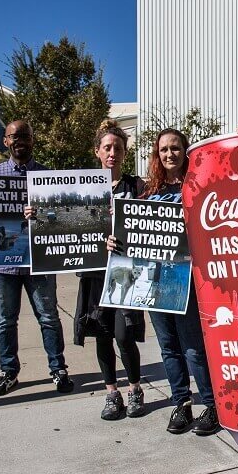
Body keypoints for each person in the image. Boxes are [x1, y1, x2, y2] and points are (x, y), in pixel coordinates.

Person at [109, 128, 221, 436]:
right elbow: (131, 234)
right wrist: (115, 243)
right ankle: (182, 403)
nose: (169, 154)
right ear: (156, 156)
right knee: (168, 347)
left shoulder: (197, 187)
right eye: (163, 150)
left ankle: (211, 405)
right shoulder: (149, 191)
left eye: (175, 148)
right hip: (154, 283)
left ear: (185, 152)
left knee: (194, 348)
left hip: (186, 283)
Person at [0, 120, 73, 396]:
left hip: (39, 261)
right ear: (5, 141)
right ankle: (8, 372)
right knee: (5, 320)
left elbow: (61, 218)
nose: (20, 140)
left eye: (25, 136)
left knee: (48, 317)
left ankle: (58, 370)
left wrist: (45, 216)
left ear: (33, 140)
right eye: (14, 136)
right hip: (2, 264)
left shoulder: (48, 177)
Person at [75, 118, 147, 421]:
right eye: (107, 147)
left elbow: (152, 225)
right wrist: (34, 214)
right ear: (97, 151)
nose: (112, 153)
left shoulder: (138, 187)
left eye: (118, 147)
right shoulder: (82, 189)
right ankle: (111, 393)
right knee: (101, 334)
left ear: (124, 152)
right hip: (94, 274)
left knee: (124, 334)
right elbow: (65, 225)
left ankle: (135, 389)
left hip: (127, 275)